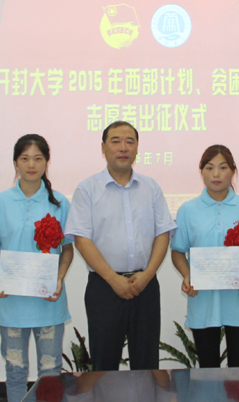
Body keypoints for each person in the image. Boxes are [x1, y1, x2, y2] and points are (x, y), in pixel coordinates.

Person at [65, 121, 177, 371]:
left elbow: (163, 233)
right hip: (104, 287)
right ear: (103, 148)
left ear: (137, 148)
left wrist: (148, 275)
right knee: (104, 364)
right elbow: (82, 240)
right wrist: (113, 279)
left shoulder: (151, 187)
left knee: (146, 364)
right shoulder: (87, 189)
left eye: (130, 142)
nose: (123, 147)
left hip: (145, 285)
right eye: (115, 141)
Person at [0, 134, 73, 402]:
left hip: (48, 301)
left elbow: (67, 249)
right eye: (25, 158)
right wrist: (0, 278)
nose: (31, 165)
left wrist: (59, 278)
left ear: (46, 163)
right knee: (15, 370)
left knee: (50, 372)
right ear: (15, 163)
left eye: (38, 158)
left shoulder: (59, 203)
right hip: (12, 302)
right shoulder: (0, 202)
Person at [170, 145, 239, 368]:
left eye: (223, 167)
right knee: (207, 367)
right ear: (201, 172)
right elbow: (178, 250)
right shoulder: (188, 210)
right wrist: (187, 276)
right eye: (210, 168)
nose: (216, 174)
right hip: (203, 298)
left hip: (238, 298)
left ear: (233, 171)